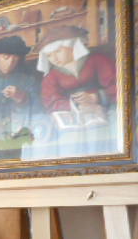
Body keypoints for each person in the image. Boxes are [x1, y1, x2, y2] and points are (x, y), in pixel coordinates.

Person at [36, 25, 117, 157]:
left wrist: (97, 97)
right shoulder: (51, 76)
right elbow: (50, 100)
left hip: (105, 109)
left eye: (58, 51)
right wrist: (75, 105)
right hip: (72, 116)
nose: (54, 58)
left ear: (72, 46)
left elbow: (117, 86)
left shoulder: (97, 60)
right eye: (49, 55)